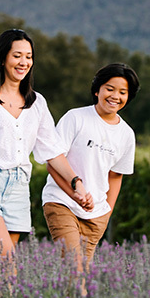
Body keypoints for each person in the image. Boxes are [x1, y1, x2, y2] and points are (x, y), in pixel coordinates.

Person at [0, 28, 93, 262]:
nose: (23, 62)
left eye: (28, 56)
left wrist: (76, 183)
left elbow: (53, 152)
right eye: (17, 55)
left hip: (18, 187)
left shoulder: (36, 103)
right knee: (5, 257)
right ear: (3, 57)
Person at [42, 63, 139, 270]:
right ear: (97, 90)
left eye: (123, 92)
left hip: (96, 214)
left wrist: (106, 214)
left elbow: (115, 176)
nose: (115, 96)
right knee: (73, 266)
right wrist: (74, 192)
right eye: (110, 89)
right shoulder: (75, 118)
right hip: (61, 202)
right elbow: (53, 162)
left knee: (82, 275)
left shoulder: (127, 134)